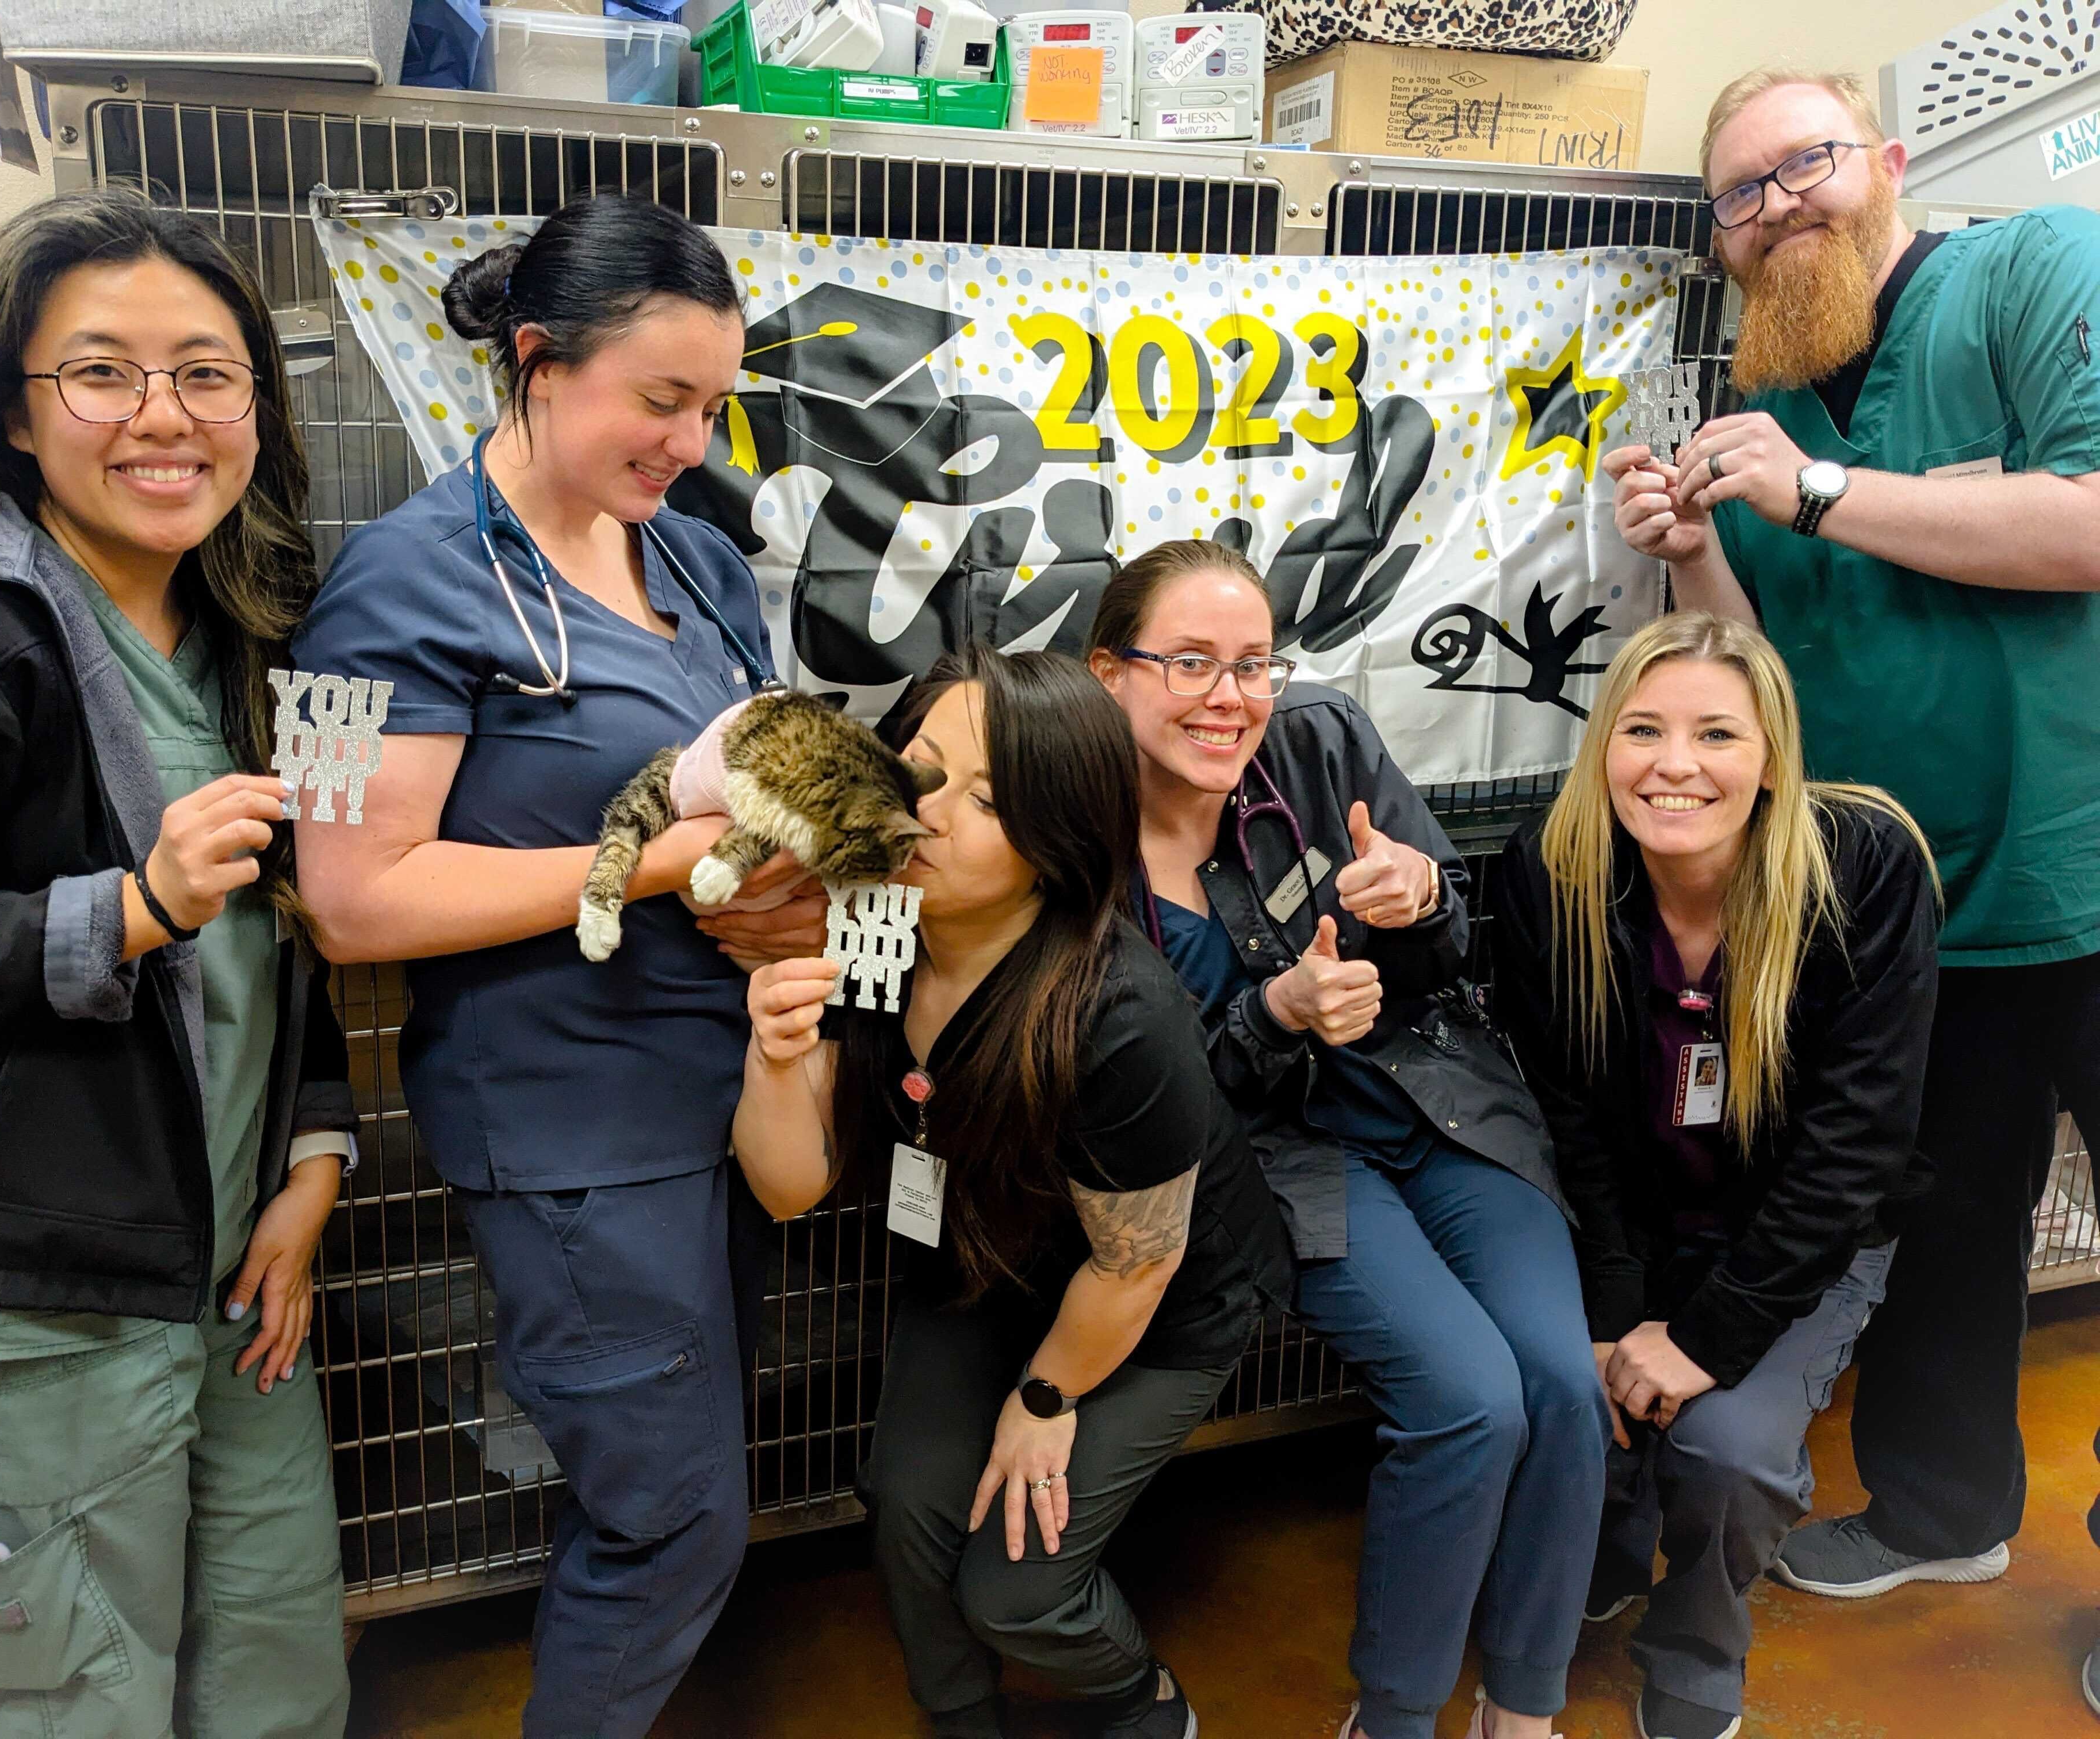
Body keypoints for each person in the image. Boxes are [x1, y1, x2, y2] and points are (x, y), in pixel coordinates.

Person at [0, 189, 354, 1737]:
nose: (163, 418)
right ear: (11, 412)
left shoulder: (246, 634)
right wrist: (127, 910)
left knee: (278, 1673)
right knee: (64, 1706)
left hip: (225, 1277)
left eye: (208, 374)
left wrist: (312, 1153)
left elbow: (282, 938)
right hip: (4, 1312)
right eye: (102, 372)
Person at [292, 193, 827, 1738]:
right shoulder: (394, 587)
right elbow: (351, 898)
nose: (689, 441)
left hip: (725, 1103)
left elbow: (760, 767)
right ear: (537, 360)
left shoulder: (700, 565)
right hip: (575, 1135)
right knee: (671, 1531)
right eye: (659, 401)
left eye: (713, 407)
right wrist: (673, 861)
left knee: (669, 1495)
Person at [1604, 67, 2100, 1604]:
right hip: (1910, 909)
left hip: (2083, 874)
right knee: (1946, 1227)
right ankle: (1940, 1513)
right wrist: (1697, 552)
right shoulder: (1758, 413)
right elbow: (1770, 676)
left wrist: (1824, 488)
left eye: (1802, 165)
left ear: (1882, 163)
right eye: (1738, 199)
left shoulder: (2033, 267)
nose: (1775, 210)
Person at [1085, 542, 1605, 1739]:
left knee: (1564, 1388)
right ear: (1111, 672)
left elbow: (1449, 942)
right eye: (1192, 664)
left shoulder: (1319, 743)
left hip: (1436, 1105)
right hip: (1285, 1157)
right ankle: (1400, 1712)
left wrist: (1421, 899)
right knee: (1472, 1403)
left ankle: (1524, 1703)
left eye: (1255, 664)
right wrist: (1272, 1013)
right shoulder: (1076, 848)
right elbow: (1152, 1095)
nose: (1232, 697)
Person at [735, 644, 1293, 1739]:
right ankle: (959, 1715)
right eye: (917, 769)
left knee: (1017, 1589)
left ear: (1057, 838)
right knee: (904, 1506)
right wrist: (775, 1055)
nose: (927, 810)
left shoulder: (1115, 1014)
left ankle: (1141, 1701)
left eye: (983, 799)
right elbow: (792, 1189)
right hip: (989, 1269)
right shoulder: (874, 926)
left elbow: (1140, 1260)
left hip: (1154, 1306)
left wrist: (1043, 1403)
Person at [1490, 613, 1940, 1739]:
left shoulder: (1866, 868)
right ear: (1604, 750)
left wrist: (1705, 1339)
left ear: (1774, 758)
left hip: (1799, 1238)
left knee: (1728, 1452)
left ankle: (1693, 1660)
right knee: (1568, 1402)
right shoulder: (1554, 870)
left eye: (1716, 734)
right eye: (1641, 728)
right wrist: (1611, 1315)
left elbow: (1856, 1147)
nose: (1674, 764)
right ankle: (1604, 1546)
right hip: (1632, 1221)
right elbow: (1569, 1124)